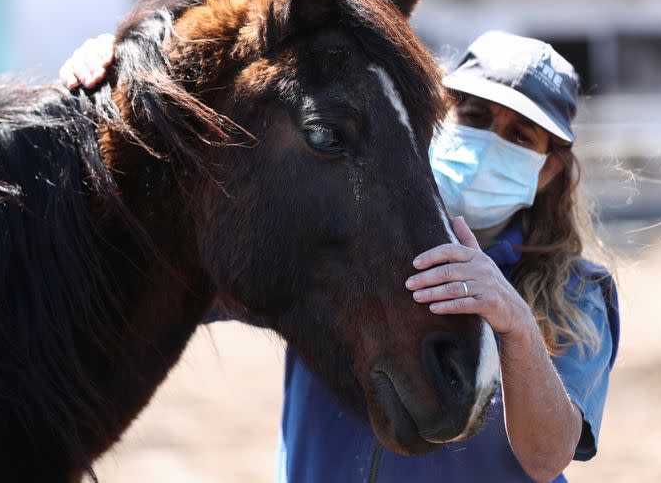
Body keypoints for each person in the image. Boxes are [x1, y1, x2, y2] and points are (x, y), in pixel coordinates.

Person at [60, 30, 619, 483]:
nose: (491, 140)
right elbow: (159, 276)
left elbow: (548, 457)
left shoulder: (576, 292)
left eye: (521, 136)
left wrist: (515, 323)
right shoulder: (346, 240)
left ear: (548, 170)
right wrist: (130, 76)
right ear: (437, 120)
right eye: (474, 117)